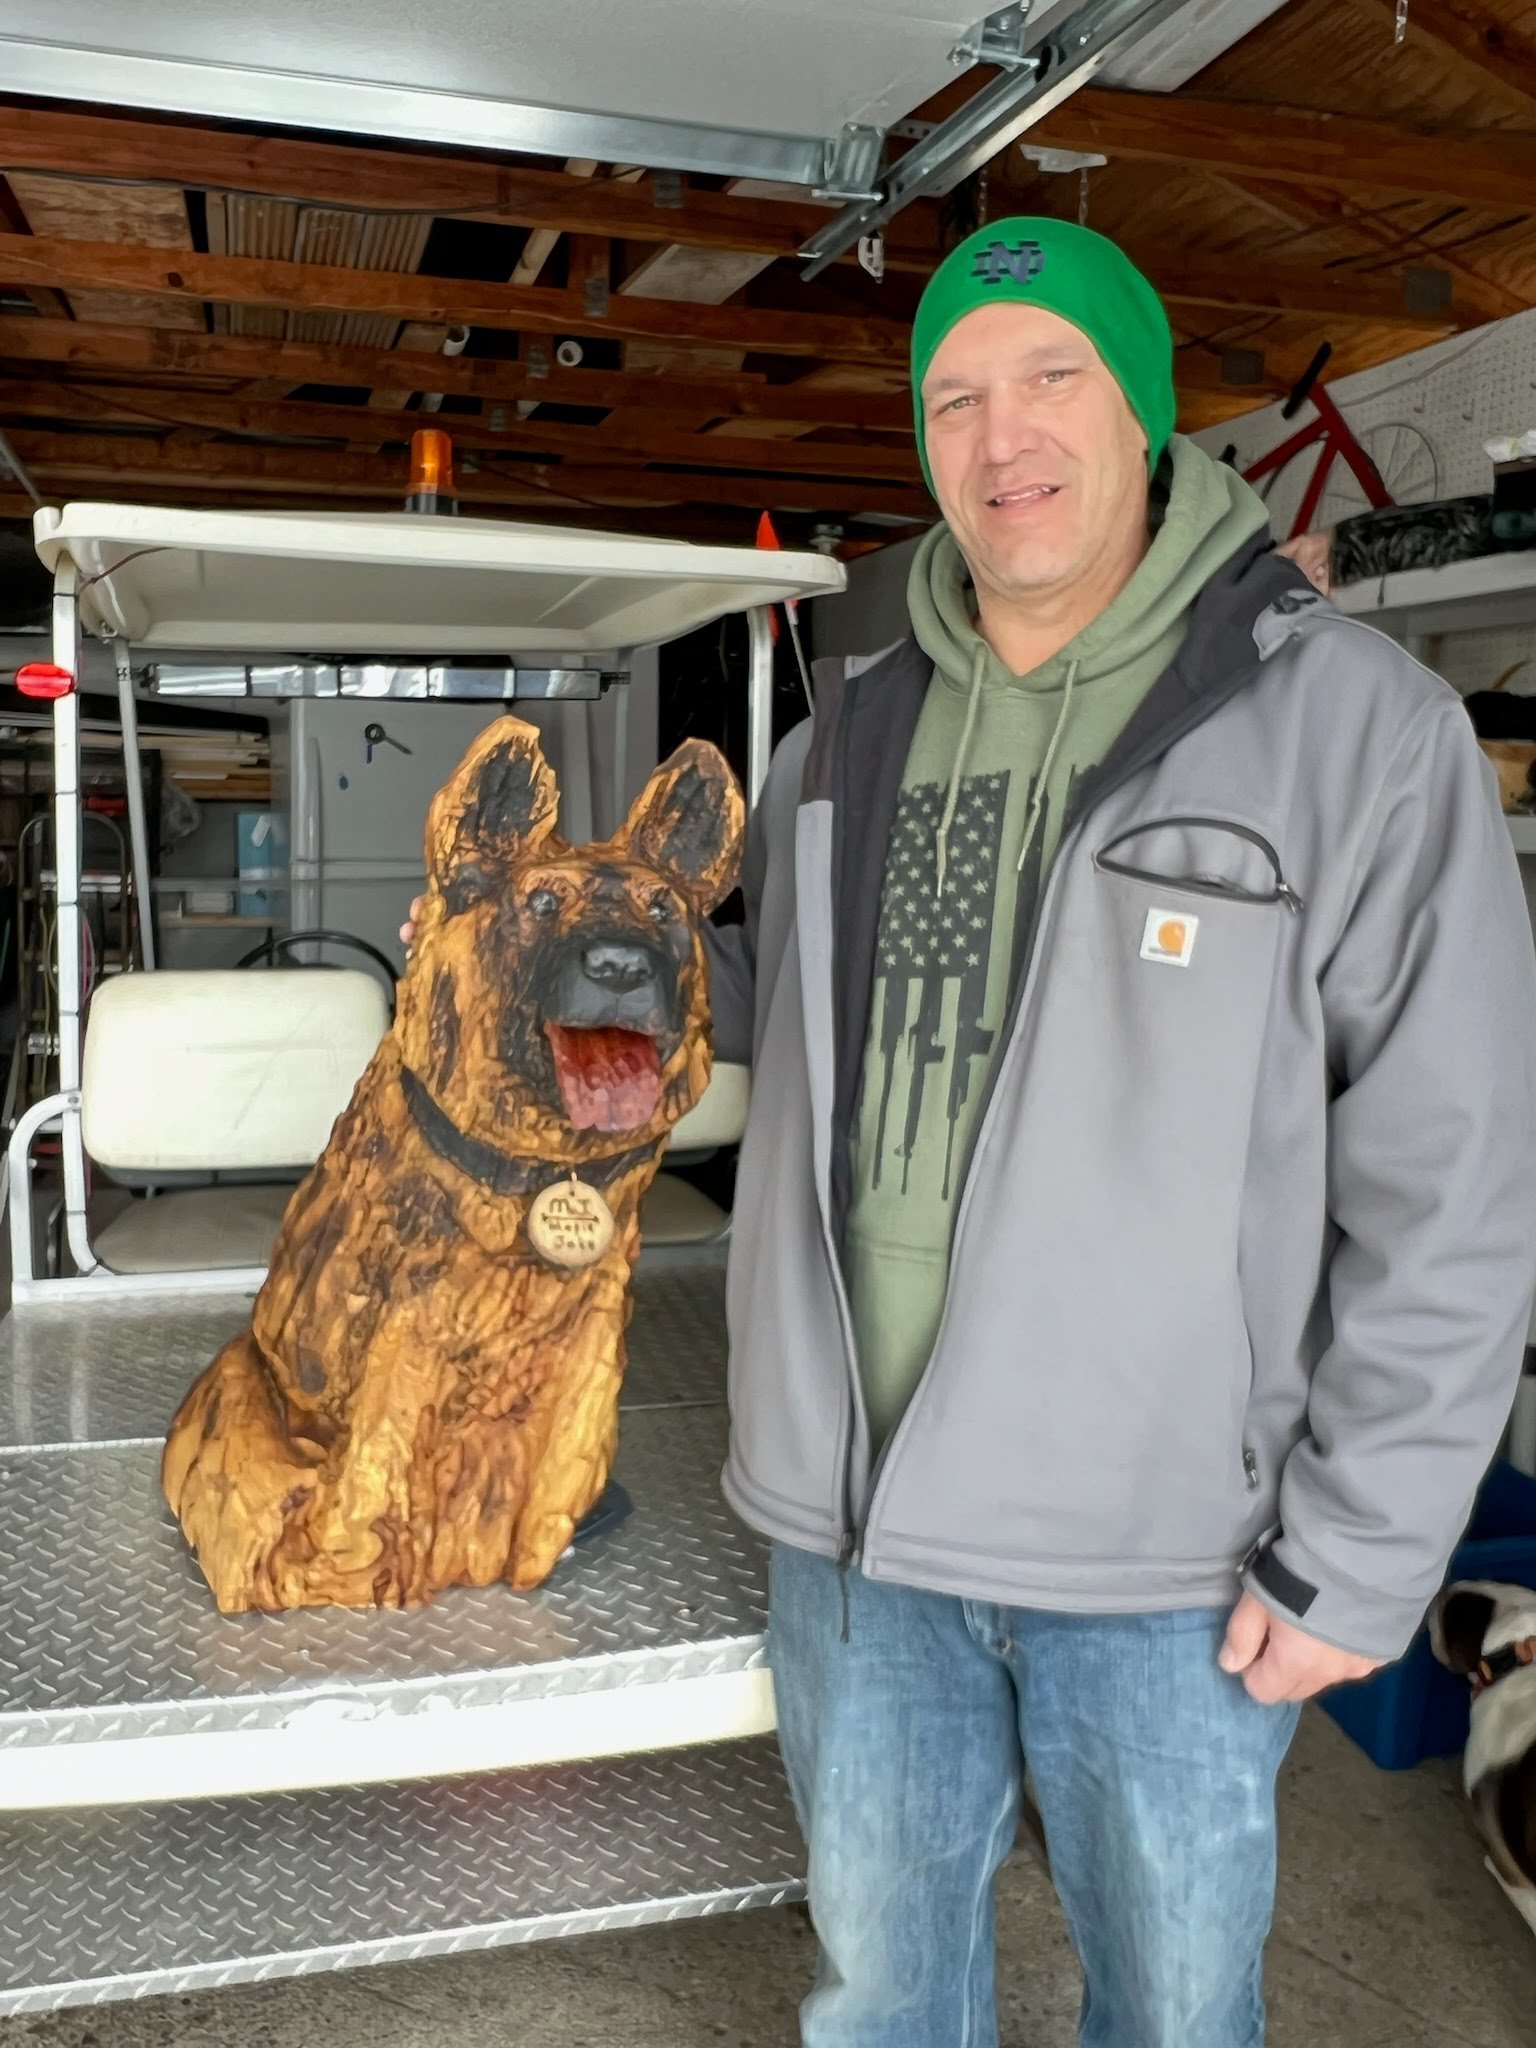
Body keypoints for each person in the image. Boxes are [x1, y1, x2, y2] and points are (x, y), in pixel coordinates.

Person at [407, 219, 1536, 2048]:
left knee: (1173, 2016)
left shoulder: (1357, 735)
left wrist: (1368, 1551)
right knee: (882, 2005)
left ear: (1147, 413)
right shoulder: (843, 734)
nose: (1000, 435)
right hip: (861, 1539)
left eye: (1049, 377)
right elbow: (766, 1010)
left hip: (1163, 1557)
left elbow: (1460, 1179)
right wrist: (542, 976)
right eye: (954, 397)